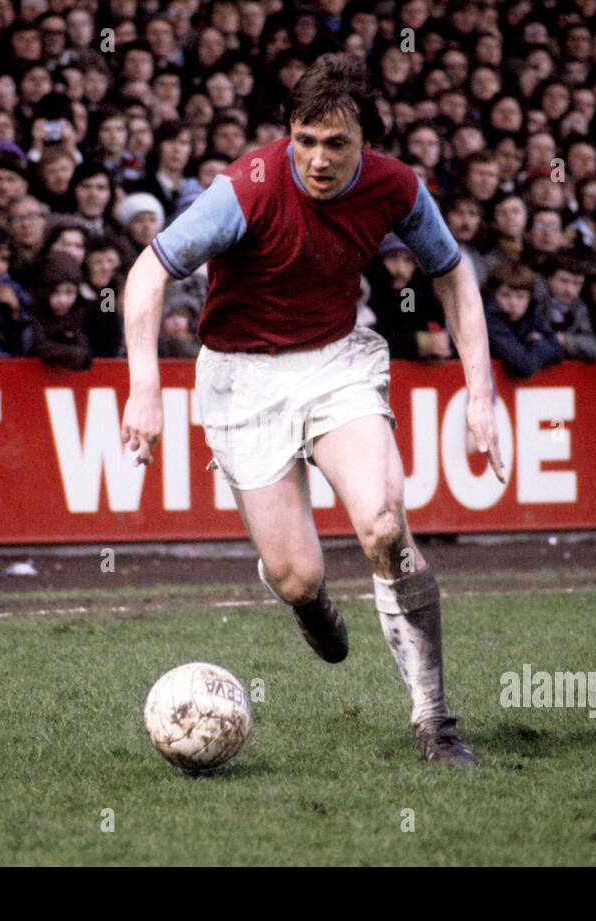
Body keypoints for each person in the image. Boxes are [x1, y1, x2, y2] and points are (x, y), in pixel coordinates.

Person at [119, 54, 505, 766]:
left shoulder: (396, 187)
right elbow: (149, 272)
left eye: (337, 143)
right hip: (240, 379)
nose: (318, 159)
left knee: (385, 525)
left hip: (336, 362)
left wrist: (480, 393)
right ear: (287, 133)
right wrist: (145, 385)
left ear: (369, 141)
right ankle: (306, 600)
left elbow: (452, 272)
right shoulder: (246, 189)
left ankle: (436, 723)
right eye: (305, 139)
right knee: (296, 573)